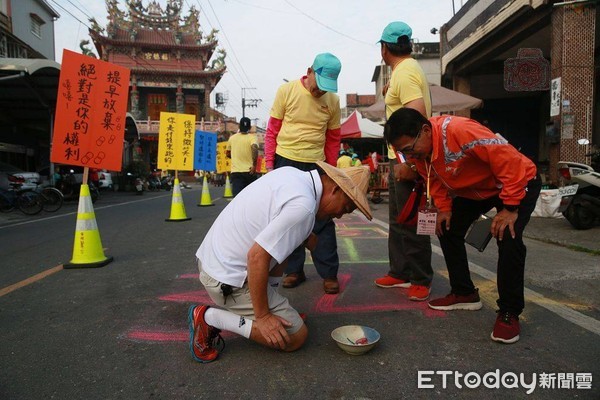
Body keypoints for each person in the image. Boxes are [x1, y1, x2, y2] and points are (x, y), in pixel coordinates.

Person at [384, 107, 541, 344]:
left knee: (507, 236)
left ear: (425, 131)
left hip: (516, 181)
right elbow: (432, 176)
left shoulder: (460, 131)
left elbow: (509, 162)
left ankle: (509, 312)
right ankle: (464, 292)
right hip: (479, 190)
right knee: (446, 227)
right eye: (404, 153)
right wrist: (444, 209)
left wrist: (510, 208)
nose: (411, 157)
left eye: (410, 150)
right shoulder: (422, 152)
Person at [188, 163, 372, 363]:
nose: (339, 215)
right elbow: (256, 257)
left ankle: (270, 299)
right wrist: (264, 316)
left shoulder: (293, 175)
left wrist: (304, 234)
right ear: (335, 188)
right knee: (295, 337)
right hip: (227, 281)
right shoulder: (304, 207)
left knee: (289, 241)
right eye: (345, 208)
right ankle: (209, 318)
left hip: (213, 262)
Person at [264, 52, 343, 294]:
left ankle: (329, 273)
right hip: (285, 161)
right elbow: (272, 130)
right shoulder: (286, 91)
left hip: (316, 165)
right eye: (319, 85)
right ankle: (293, 270)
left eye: (326, 88)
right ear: (309, 71)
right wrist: (269, 166)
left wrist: (331, 172)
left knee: (322, 219)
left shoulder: (333, 100)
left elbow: (333, 138)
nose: (321, 92)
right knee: (289, 217)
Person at [373, 21, 434, 302]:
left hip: (408, 159)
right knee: (398, 220)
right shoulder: (404, 71)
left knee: (412, 220)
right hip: (398, 157)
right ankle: (400, 271)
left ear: (384, 48)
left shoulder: (406, 72)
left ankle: (420, 277)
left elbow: (417, 116)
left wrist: (410, 163)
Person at [226, 117, 258, 196]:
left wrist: (235, 155)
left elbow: (227, 154)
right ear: (250, 127)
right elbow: (254, 148)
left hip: (236, 172)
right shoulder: (252, 137)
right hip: (249, 172)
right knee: (250, 197)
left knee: (237, 198)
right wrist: (254, 165)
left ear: (239, 126)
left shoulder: (232, 138)